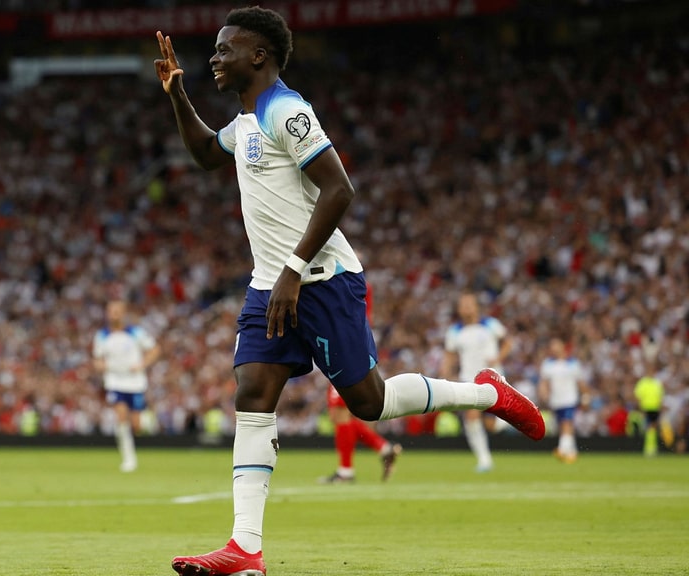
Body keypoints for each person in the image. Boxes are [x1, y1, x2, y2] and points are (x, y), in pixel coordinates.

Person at [155, 8, 545, 575]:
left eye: (224, 49)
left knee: (370, 403)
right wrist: (176, 93)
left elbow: (340, 189)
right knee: (253, 393)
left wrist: (293, 269)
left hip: (321, 279)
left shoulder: (287, 112)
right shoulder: (245, 123)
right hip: (269, 285)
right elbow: (204, 153)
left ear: (258, 55)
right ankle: (244, 549)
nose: (214, 58)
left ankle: (488, 394)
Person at [441, 292, 512, 473]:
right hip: (469, 379)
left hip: (493, 378)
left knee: (491, 425)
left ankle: (510, 421)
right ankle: (484, 460)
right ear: (458, 309)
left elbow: (507, 342)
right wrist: (445, 376)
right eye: (462, 305)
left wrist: (498, 358)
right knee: (471, 418)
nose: (466, 308)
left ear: (476, 306)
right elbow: (449, 356)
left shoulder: (490, 324)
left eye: (469, 304)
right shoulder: (454, 331)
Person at [92, 299, 161, 472]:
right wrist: (102, 366)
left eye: (117, 311)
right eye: (111, 311)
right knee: (121, 417)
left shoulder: (135, 333)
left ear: (123, 314)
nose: (113, 315)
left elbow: (154, 350)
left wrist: (142, 364)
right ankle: (128, 458)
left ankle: (149, 420)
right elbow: (97, 360)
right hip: (115, 382)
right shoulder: (102, 336)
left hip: (135, 383)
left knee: (137, 426)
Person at [318, 383, 402, 483]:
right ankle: (385, 448)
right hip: (339, 376)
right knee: (343, 419)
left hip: (342, 376)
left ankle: (345, 471)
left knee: (341, 416)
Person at [538, 337, 588, 463]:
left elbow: (581, 383)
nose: (553, 348)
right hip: (556, 400)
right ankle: (572, 452)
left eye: (555, 345)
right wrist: (544, 393)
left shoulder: (573, 363)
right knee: (563, 426)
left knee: (567, 423)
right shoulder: (548, 364)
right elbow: (544, 382)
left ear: (562, 346)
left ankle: (562, 449)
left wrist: (585, 397)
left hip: (569, 399)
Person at [633, 363, 664, 457]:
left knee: (652, 428)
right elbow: (638, 396)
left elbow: (660, 396)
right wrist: (640, 408)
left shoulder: (657, 383)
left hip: (655, 408)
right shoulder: (643, 382)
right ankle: (649, 448)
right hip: (646, 408)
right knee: (649, 428)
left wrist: (660, 407)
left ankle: (652, 448)